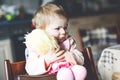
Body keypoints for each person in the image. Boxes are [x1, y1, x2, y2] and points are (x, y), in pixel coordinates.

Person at [24, 3, 87, 80]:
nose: (63, 32)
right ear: (42, 30)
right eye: (57, 28)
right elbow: (30, 69)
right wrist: (47, 60)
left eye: (65, 27)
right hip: (48, 78)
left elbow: (81, 59)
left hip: (70, 73)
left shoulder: (68, 42)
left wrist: (71, 56)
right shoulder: (37, 46)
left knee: (81, 71)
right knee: (65, 74)